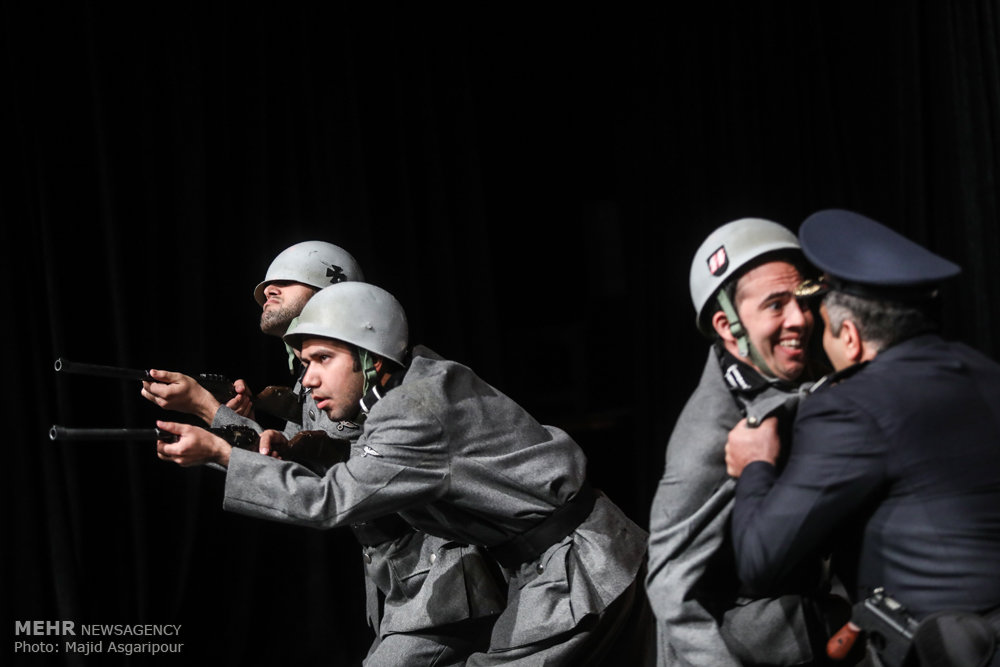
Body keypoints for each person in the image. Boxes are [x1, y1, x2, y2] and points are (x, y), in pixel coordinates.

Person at [155, 281, 653, 665]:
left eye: (323, 358)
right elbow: (344, 452)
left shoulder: (411, 410)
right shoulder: (415, 379)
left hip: (577, 570)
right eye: (304, 362)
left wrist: (224, 453)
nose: (308, 379)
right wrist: (249, 428)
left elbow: (330, 499)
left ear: (371, 356)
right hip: (555, 564)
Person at [143, 241, 506, 666]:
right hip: (402, 578)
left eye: (286, 281)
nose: (267, 291)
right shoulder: (315, 385)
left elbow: (337, 483)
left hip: (442, 580)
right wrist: (222, 416)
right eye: (309, 360)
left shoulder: (390, 383)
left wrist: (210, 414)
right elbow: (292, 472)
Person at [726, 209, 1000, 667]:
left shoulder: (850, 407)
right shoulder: (987, 371)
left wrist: (756, 464)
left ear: (850, 337)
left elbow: (761, 562)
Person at [646, 218, 838, 666]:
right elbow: (670, 586)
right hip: (755, 649)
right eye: (776, 305)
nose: (800, 319)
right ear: (728, 326)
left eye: (801, 299)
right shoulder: (710, 432)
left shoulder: (795, 371)